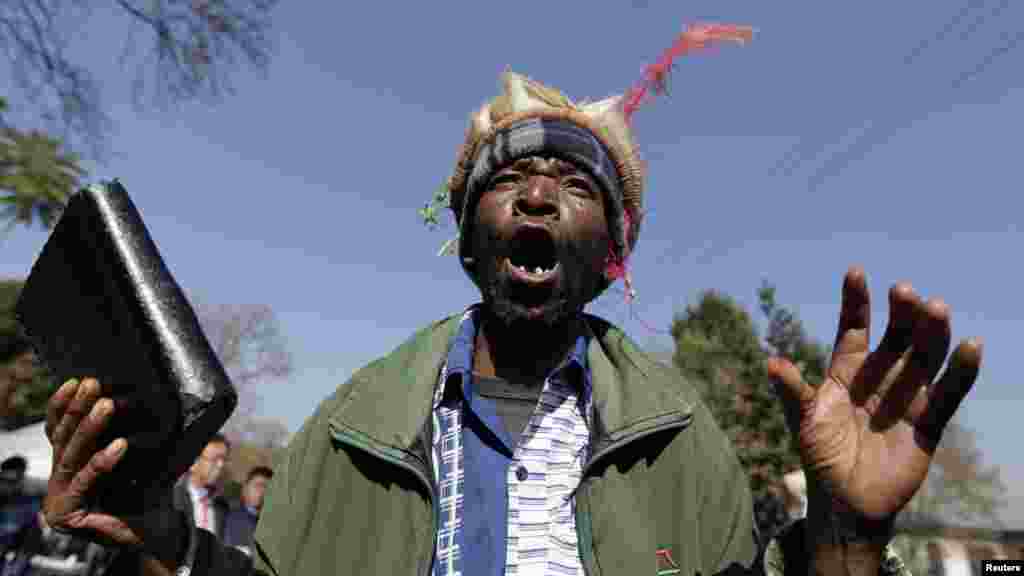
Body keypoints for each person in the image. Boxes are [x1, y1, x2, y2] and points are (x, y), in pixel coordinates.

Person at [33, 26, 984, 576]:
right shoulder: (351, 426)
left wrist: (848, 541)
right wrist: (152, 532)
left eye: (574, 189)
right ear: (467, 234)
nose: (536, 196)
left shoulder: (683, 435)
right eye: (510, 180)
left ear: (611, 258)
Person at [175, 435, 231, 540]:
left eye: (224, 459)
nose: (220, 465)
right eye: (215, 459)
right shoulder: (172, 500)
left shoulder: (222, 507)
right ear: (193, 463)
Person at [223, 467, 272, 555]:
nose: (261, 491)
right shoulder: (229, 516)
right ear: (245, 488)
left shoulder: (271, 524)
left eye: (266, 487)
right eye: (258, 485)